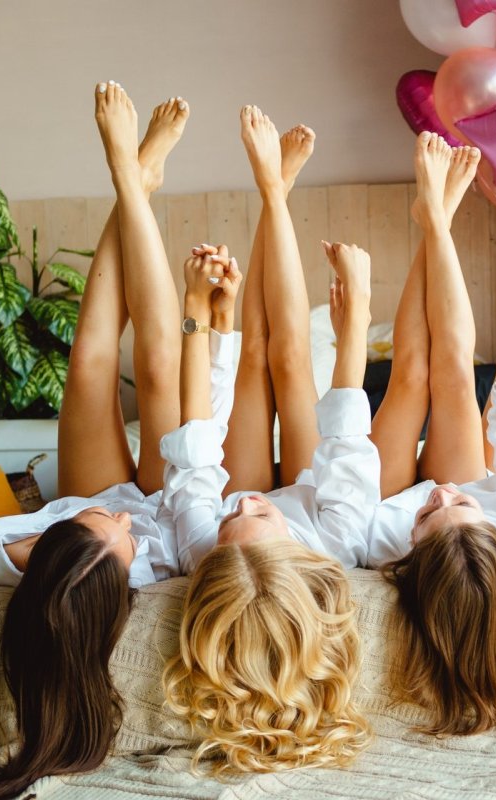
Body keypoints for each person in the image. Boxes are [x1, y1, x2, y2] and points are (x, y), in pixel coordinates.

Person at [0, 83, 228, 800]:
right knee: (159, 362)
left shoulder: (3, 550)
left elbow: (13, 557)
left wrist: (81, 520)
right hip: (170, 495)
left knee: (91, 361)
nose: (121, 522)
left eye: (107, 527)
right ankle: (132, 178)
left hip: (80, 495)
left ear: (54, 542)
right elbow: (181, 498)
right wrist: (132, 525)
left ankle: (132, 179)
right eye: (122, 540)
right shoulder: (141, 568)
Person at [159, 106, 374, 773]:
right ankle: (276, 191)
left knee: (252, 356)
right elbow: (345, 426)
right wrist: (357, 319)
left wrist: (200, 315)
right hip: (313, 484)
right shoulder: (338, 540)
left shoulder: (202, 546)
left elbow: (196, 438)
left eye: (232, 520)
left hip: (257, 496)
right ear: (299, 556)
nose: (247, 502)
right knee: (292, 359)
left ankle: (271, 188)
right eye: (260, 518)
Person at [368, 132, 496, 737]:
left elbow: (349, 502)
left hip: (385, 502)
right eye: (459, 506)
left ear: (410, 553)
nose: (439, 493)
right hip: (463, 495)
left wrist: (420, 511)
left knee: (409, 377)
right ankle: (436, 219)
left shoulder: (381, 541)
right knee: (454, 374)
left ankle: (434, 217)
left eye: (432, 512)